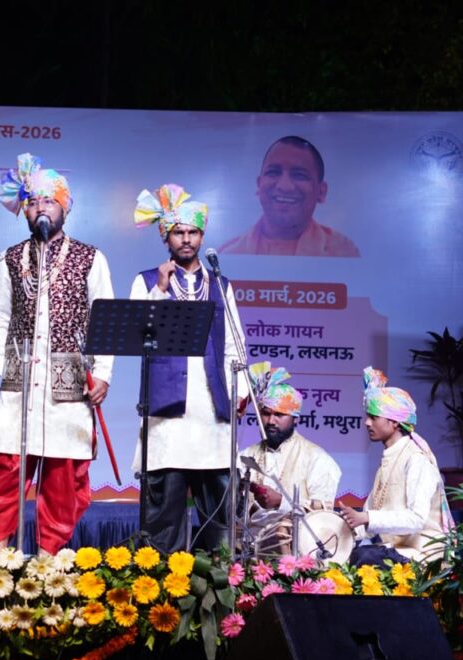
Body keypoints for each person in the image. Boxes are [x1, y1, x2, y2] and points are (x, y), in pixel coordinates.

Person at [0, 153, 113, 555]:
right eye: (34, 202)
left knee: (62, 476)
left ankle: (49, 560)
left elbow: (103, 320)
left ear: (65, 207)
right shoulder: (11, 258)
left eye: (49, 201)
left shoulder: (91, 258)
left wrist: (103, 374)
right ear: (24, 209)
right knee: (8, 471)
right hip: (20, 383)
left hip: (69, 387)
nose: (41, 209)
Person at [130, 183, 248, 553]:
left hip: (212, 414)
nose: (186, 239)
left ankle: (222, 582)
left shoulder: (220, 284)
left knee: (218, 517)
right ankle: (159, 580)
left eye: (193, 232)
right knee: (164, 516)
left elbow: (234, 344)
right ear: (165, 236)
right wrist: (161, 289)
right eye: (178, 232)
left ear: (202, 236)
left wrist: (241, 392)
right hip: (168, 417)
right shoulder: (147, 281)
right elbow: (139, 335)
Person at [338, 367, 452, 565]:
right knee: (341, 557)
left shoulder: (416, 460)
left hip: (423, 554)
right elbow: (368, 519)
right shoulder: (388, 460)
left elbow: (416, 519)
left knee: (365, 557)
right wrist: (339, 526)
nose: (366, 423)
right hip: (397, 550)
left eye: (373, 417)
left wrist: (366, 517)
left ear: (394, 422)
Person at [239, 362, 341, 551]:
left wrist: (281, 502)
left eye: (279, 415)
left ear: (296, 418)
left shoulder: (317, 459)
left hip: (296, 552)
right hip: (247, 549)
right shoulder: (245, 456)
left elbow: (325, 514)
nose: (271, 421)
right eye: (266, 413)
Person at [218, 135, 358, 257]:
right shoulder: (228, 254)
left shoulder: (343, 252)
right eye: (273, 172)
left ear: (321, 192)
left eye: (299, 175)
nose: (284, 186)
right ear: (259, 185)